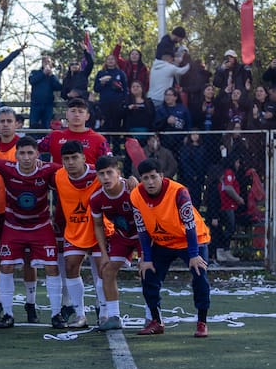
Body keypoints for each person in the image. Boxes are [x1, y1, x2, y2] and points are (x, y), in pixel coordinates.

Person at [0, 136, 64, 328]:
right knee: (6, 266)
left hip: (41, 227)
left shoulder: (48, 168)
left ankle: (56, 314)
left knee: (51, 267)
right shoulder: (7, 167)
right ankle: (8, 314)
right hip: (14, 227)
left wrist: (125, 178)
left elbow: (81, 169)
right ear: (16, 155)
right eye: (22, 153)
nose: (26, 157)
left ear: (37, 154)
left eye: (30, 153)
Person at [130, 157, 212, 338]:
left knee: (199, 275)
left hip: (192, 239)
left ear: (161, 175)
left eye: (153, 177)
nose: (150, 182)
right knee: (147, 273)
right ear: (141, 179)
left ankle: (202, 321)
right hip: (163, 241)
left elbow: (189, 225)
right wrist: (146, 258)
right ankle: (156, 321)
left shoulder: (179, 192)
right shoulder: (136, 195)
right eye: (145, 178)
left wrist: (193, 254)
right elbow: (142, 230)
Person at [0, 107, 37, 324]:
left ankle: (31, 304)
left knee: (27, 258)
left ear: (17, 124)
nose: (5, 124)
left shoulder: (24, 147)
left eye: (9, 121)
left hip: (20, 211)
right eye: (2, 121)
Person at [53, 140, 112, 328]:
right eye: (66, 159)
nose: (70, 162)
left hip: (99, 230)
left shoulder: (98, 173)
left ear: (84, 158)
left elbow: (118, 182)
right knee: (70, 266)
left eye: (74, 158)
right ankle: (80, 314)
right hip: (74, 230)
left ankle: (104, 312)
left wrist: (130, 180)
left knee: (102, 269)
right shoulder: (58, 175)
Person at [90, 155, 140, 331]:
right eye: (101, 174)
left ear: (118, 173)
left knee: (148, 271)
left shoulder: (133, 189)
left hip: (143, 235)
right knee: (106, 271)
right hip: (122, 236)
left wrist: (146, 255)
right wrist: (103, 254)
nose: (105, 177)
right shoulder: (96, 198)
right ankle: (113, 316)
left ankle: (153, 317)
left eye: (109, 173)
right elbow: (97, 225)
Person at [38, 97, 111, 165]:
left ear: (87, 116)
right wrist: (36, 161)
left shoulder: (99, 140)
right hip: (59, 178)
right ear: (66, 114)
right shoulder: (54, 136)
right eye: (73, 111)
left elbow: (109, 165)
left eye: (80, 112)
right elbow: (32, 148)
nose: (76, 115)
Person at [215, 154, 244, 263]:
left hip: (228, 205)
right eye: (237, 162)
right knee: (230, 228)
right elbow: (228, 188)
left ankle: (224, 251)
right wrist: (238, 199)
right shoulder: (228, 173)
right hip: (227, 205)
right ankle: (223, 250)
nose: (238, 164)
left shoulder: (229, 173)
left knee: (229, 228)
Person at [93, 54, 129, 133]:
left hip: (117, 103)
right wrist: (102, 83)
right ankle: (106, 143)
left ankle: (117, 144)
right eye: (108, 59)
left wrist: (125, 101)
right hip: (104, 103)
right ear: (106, 61)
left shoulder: (120, 73)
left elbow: (125, 89)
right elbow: (96, 89)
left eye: (112, 59)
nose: (110, 61)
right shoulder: (101, 73)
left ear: (115, 61)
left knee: (116, 124)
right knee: (106, 124)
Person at [154, 87, 191, 157]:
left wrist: (187, 136)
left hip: (180, 141)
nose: (167, 97)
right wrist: (166, 121)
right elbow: (156, 125)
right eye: (166, 95)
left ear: (175, 97)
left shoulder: (183, 109)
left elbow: (188, 124)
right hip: (165, 141)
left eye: (170, 95)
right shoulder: (160, 109)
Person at [28, 56, 62, 129]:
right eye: (45, 62)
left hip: (48, 105)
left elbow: (58, 87)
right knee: (33, 124)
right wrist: (43, 73)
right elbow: (32, 81)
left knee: (46, 126)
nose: (47, 63)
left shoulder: (52, 76)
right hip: (35, 104)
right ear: (42, 63)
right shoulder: (35, 72)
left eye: (48, 62)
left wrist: (52, 76)